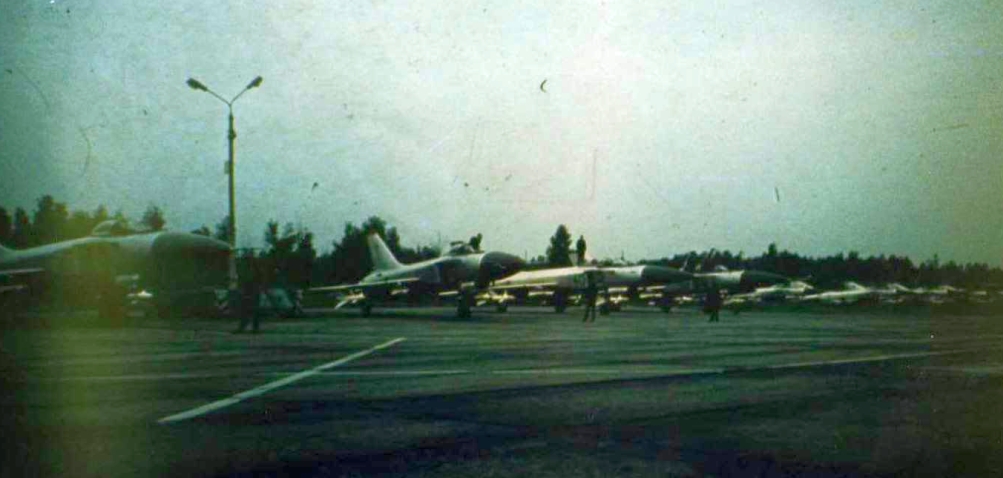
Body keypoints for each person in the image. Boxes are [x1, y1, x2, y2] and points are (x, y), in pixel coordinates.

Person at [236, 263, 262, 333]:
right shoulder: (248, 269)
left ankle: (252, 327)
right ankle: (247, 327)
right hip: (249, 289)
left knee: (252, 310)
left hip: (252, 289)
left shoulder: (250, 270)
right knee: (246, 309)